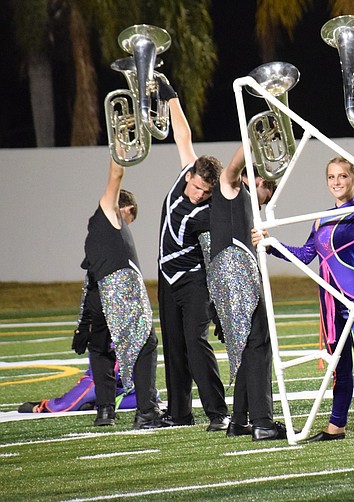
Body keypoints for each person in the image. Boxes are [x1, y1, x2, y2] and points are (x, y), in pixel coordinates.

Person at [256, 157, 354, 445]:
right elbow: (305, 255)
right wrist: (271, 243)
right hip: (331, 305)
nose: (336, 182)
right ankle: (336, 426)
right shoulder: (320, 219)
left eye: (342, 176)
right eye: (331, 177)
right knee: (339, 366)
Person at [156, 80, 230, 431]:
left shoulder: (212, 209)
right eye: (198, 187)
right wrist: (171, 96)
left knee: (195, 342)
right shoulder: (186, 171)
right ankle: (179, 413)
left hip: (193, 282)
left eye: (206, 191)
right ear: (191, 176)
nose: (199, 194)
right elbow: (182, 135)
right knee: (173, 346)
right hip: (166, 279)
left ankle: (218, 412)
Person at [201, 145, 287, 440]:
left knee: (248, 346)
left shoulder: (242, 200)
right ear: (261, 182)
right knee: (259, 344)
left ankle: (239, 420)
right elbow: (230, 172)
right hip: (236, 274)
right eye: (267, 196)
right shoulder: (235, 190)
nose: (264, 203)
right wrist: (251, 141)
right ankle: (262, 422)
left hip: (231, 274)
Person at [74, 155, 160, 429]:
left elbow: (91, 277)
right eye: (130, 219)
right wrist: (118, 149)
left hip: (97, 295)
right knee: (145, 343)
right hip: (120, 292)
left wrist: (84, 321)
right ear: (128, 208)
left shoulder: (93, 230)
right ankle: (146, 412)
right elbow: (115, 176)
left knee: (100, 349)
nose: (128, 224)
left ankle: (105, 412)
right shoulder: (110, 214)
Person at [18, 354, 150, 414]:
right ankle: (44, 406)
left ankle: (99, 403)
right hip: (101, 376)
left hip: (125, 385)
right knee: (95, 383)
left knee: (148, 397)